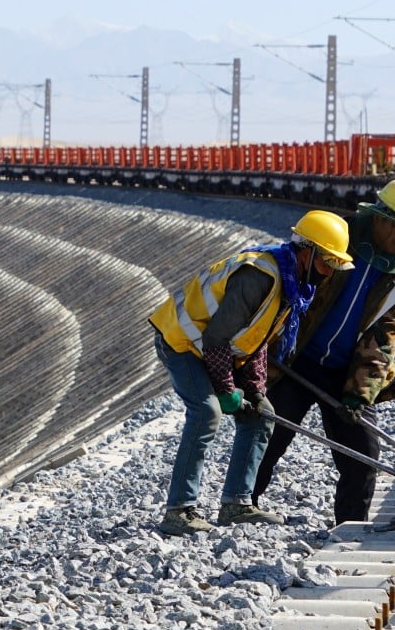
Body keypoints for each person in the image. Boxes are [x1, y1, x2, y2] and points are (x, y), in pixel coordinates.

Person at [150, 210, 354, 536]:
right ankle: (178, 511)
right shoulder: (259, 276)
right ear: (307, 251)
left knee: (262, 415)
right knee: (206, 411)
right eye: (327, 262)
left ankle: (237, 504)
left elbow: (256, 340)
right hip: (182, 340)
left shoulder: (290, 283)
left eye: (334, 265)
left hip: (209, 345)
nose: (329, 272)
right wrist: (226, 390)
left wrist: (255, 391)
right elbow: (217, 338)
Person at [252, 176, 395, 524]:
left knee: (364, 456)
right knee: (267, 437)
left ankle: (351, 528)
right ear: (381, 217)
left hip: (345, 374)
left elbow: (384, 339)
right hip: (295, 360)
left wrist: (360, 394)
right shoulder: (336, 239)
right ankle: (241, 505)